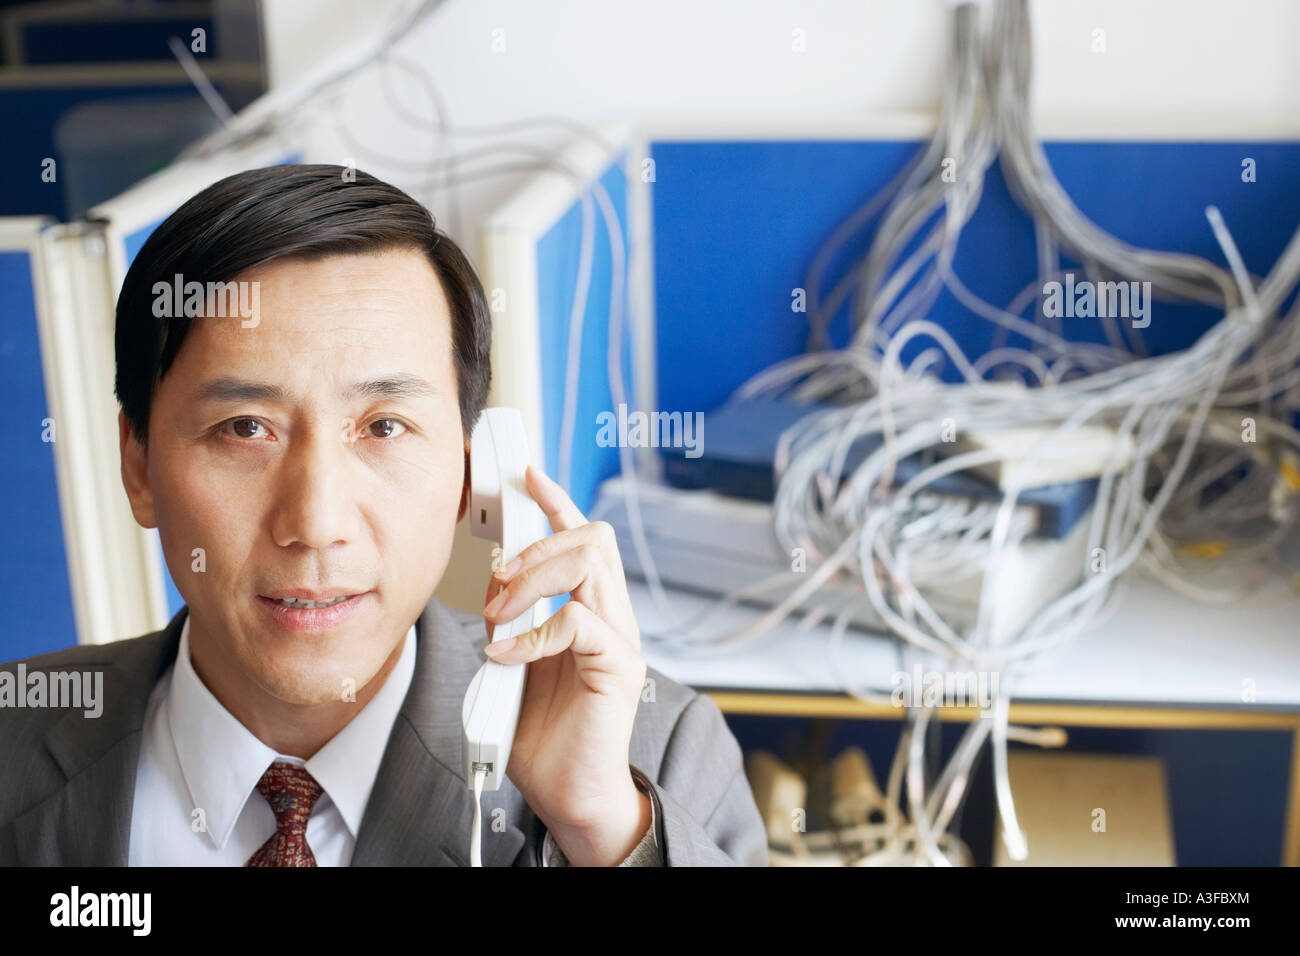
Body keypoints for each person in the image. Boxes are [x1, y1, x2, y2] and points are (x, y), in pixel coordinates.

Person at [0, 164, 768, 867]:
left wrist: (602, 831)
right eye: (245, 429)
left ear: (473, 476)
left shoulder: (651, 750)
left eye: (384, 427)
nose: (317, 522)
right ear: (138, 467)